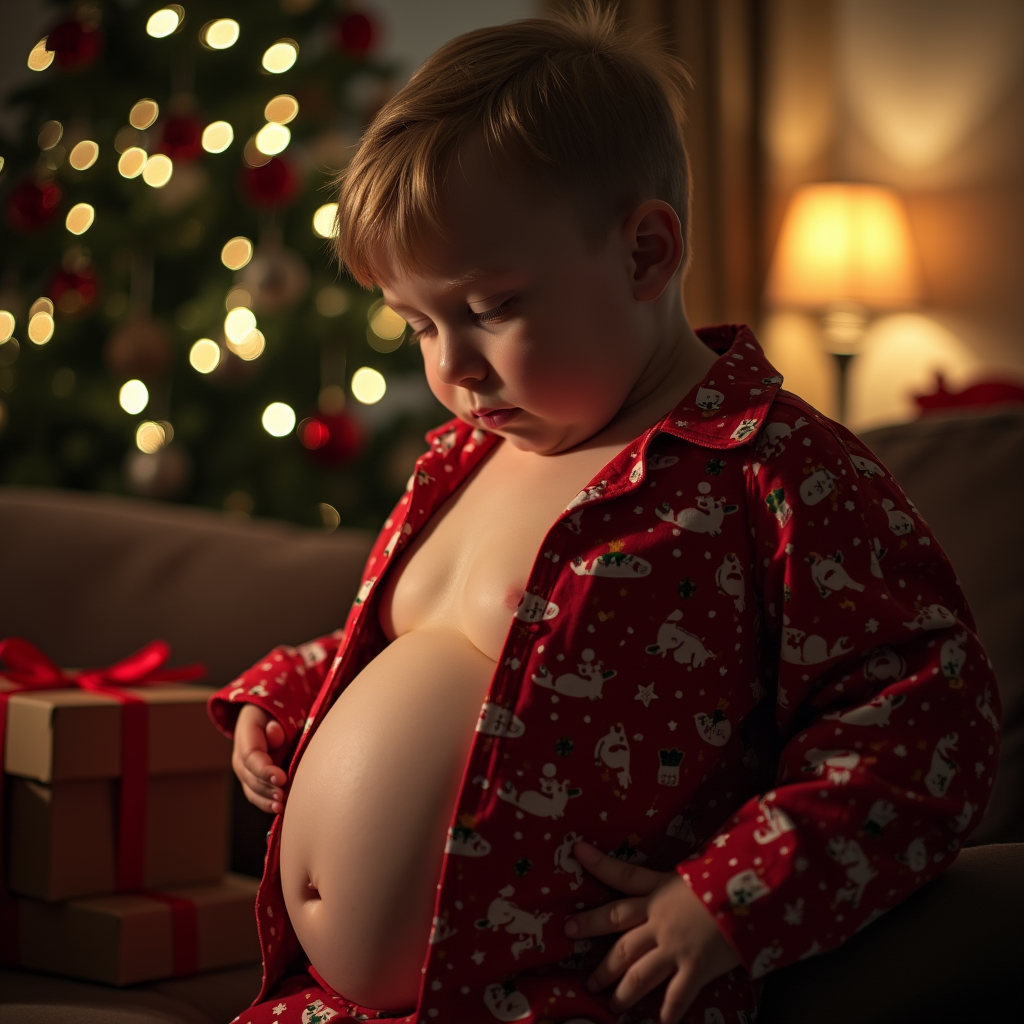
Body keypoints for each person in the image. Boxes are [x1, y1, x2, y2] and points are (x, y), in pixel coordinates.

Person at [208, 5, 1000, 1023]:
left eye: (489, 307)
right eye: (415, 323)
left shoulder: (773, 473)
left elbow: (927, 726)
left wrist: (729, 899)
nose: (449, 366)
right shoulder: (462, 460)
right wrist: (292, 695)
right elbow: (434, 649)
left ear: (644, 254)